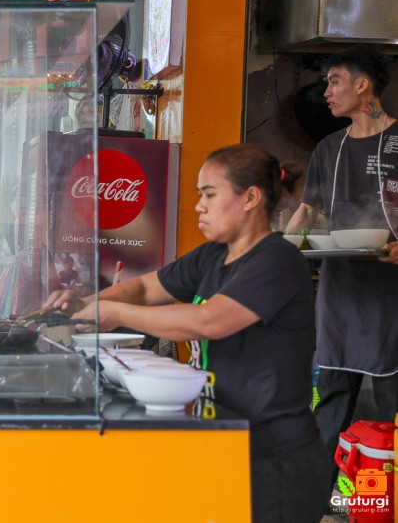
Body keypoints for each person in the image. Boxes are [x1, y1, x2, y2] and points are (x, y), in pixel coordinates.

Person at [37, 144, 326, 522]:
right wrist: (83, 304)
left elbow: (208, 321)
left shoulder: (277, 260)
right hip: (226, 443)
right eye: (198, 196)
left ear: (251, 198)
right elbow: (143, 289)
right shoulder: (212, 256)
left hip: (274, 460)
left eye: (209, 194)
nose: (200, 206)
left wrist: (111, 313)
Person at [285, 47, 398, 495]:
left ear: (361, 86)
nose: (326, 91)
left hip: (391, 296)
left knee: (392, 405)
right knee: (329, 402)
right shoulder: (329, 148)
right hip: (339, 294)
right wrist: (278, 254)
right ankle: (314, 498)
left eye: (334, 81)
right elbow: (307, 214)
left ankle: (384, 499)